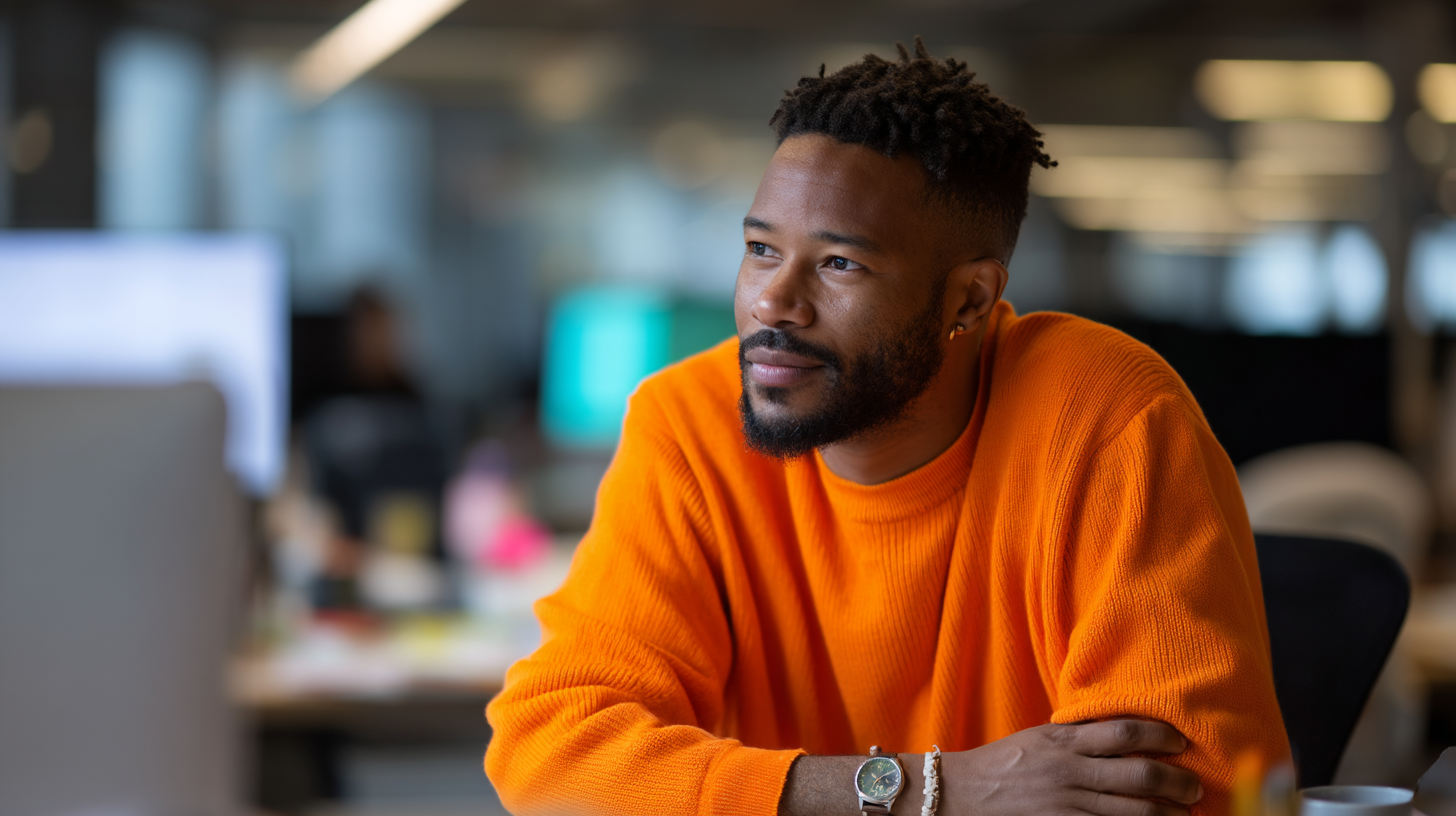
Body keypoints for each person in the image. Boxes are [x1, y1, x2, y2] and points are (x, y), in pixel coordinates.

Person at [485, 40, 1289, 816]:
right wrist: (924, 792)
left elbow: (1186, 790)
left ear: (969, 301)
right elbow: (550, 753)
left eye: (840, 264)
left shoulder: (1105, 417)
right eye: (762, 249)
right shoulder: (689, 425)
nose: (773, 302)